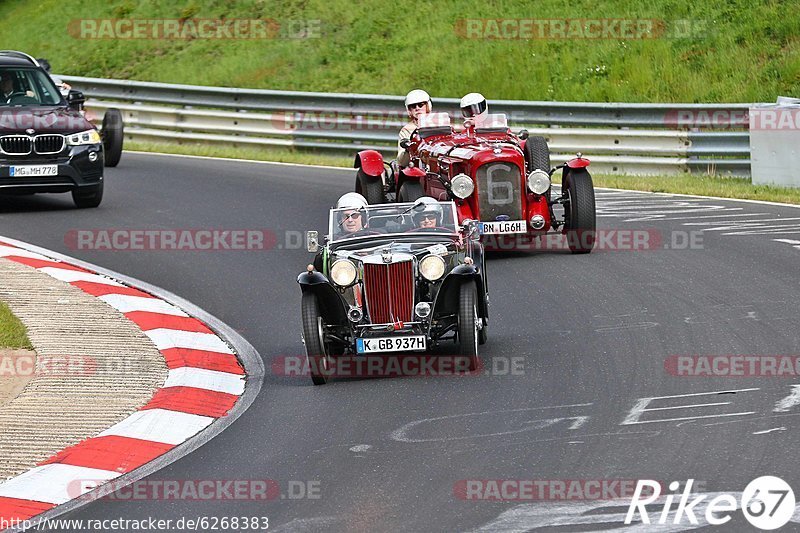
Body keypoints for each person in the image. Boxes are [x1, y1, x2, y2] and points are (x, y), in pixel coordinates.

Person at [397, 89, 432, 167]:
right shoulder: (406, 130)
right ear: (409, 110)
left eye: (421, 105)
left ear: (428, 106)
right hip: (415, 166)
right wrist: (407, 148)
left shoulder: (439, 124)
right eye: (413, 106)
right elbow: (401, 162)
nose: (417, 108)